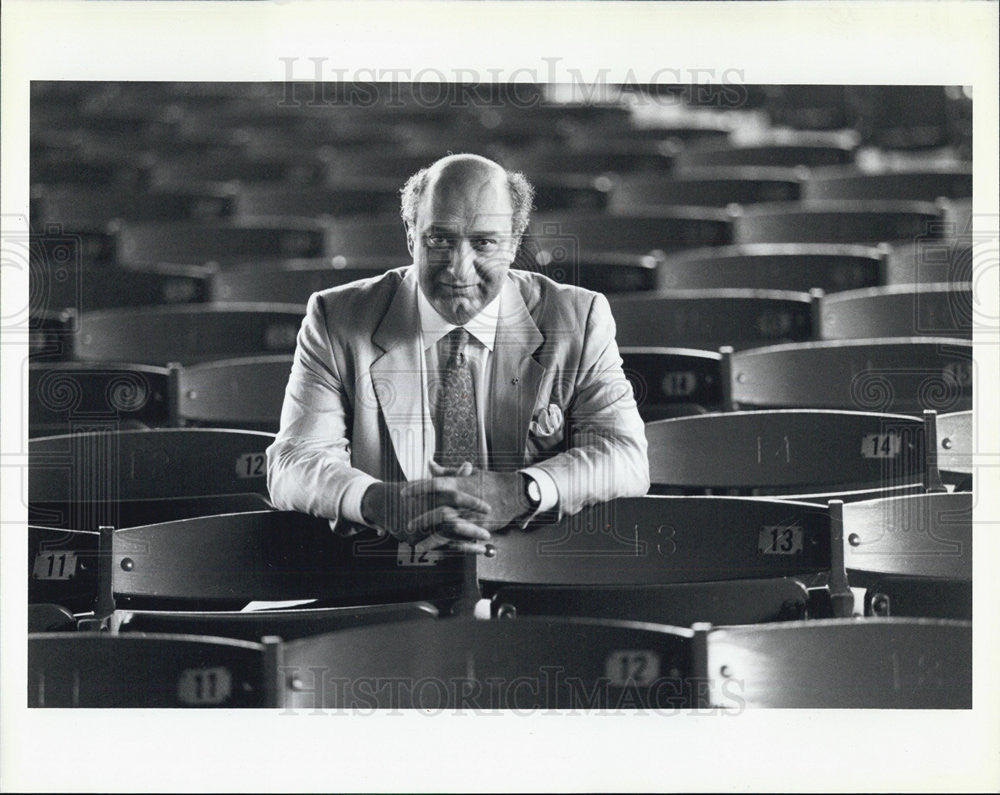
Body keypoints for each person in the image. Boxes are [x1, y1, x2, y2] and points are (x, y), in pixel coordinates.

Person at [266, 153, 649, 554]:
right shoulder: (336, 318)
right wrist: (378, 501)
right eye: (439, 240)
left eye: (484, 243)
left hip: (534, 569)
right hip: (384, 568)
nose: (459, 270)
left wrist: (523, 491)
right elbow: (292, 464)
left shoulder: (579, 318)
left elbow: (625, 457)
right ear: (412, 237)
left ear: (515, 243)